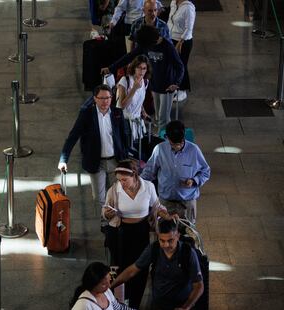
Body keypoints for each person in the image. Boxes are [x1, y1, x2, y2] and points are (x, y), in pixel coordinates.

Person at [102, 160, 172, 308]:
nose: (122, 183)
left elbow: (157, 206)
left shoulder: (148, 187)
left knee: (140, 267)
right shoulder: (114, 190)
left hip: (141, 231)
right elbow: (106, 213)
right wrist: (107, 213)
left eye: (125, 180)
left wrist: (166, 215)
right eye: (119, 180)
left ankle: (134, 303)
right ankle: (119, 302)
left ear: (134, 175)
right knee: (118, 267)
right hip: (120, 233)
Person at [58, 85, 129, 227]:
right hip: (96, 162)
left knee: (118, 193)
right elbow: (73, 137)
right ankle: (105, 224)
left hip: (116, 161)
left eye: (108, 98)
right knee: (100, 197)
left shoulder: (117, 113)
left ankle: (117, 221)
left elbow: (125, 135)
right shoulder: (86, 115)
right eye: (102, 98)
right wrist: (63, 159)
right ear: (95, 99)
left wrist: (126, 156)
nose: (105, 101)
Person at [102, 25, 184, 132]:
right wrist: (111, 68)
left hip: (167, 87)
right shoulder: (145, 44)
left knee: (163, 119)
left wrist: (176, 83)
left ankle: (163, 142)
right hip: (154, 85)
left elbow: (180, 66)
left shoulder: (167, 47)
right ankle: (159, 138)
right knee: (158, 117)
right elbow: (129, 57)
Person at [110, 219, 204, 310]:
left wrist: (185, 307)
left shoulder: (188, 253)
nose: (166, 245)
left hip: (181, 304)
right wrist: (110, 286)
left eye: (170, 240)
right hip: (158, 305)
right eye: (162, 240)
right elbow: (132, 270)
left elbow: (199, 285)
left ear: (178, 236)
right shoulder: (154, 249)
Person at [140, 120, 210, 224]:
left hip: (187, 203)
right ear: (167, 138)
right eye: (173, 144)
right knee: (165, 233)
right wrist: (137, 182)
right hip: (165, 203)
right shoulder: (160, 150)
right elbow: (149, 172)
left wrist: (194, 180)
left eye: (180, 143)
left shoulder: (194, 150)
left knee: (188, 234)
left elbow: (205, 172)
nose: (178, 147)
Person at [116, 55, 152, 146]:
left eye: (144, 68)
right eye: (139, 68)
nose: (142, 71)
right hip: (124, 122)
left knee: (137, 149)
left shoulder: (145, 82)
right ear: (134, 68)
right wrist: (134, 89)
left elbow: (139, 100)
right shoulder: (125, 81)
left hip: (137, 121)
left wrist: (143, 112)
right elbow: (122, 105)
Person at [70, 262, 137, 310]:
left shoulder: (106, 291)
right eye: (104, 284)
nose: (109, 286)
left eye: (109, 280)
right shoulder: (83, 305)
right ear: (93, 284)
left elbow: (119, 308)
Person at [167, 0, 196, 102]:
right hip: (171, 38)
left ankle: (183, 90)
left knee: (181, 65)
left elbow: (189, 28)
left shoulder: (188, 7)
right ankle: (175, 87)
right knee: (173, 65)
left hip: (183, 42)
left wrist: (180, 42)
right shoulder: (174, 3)